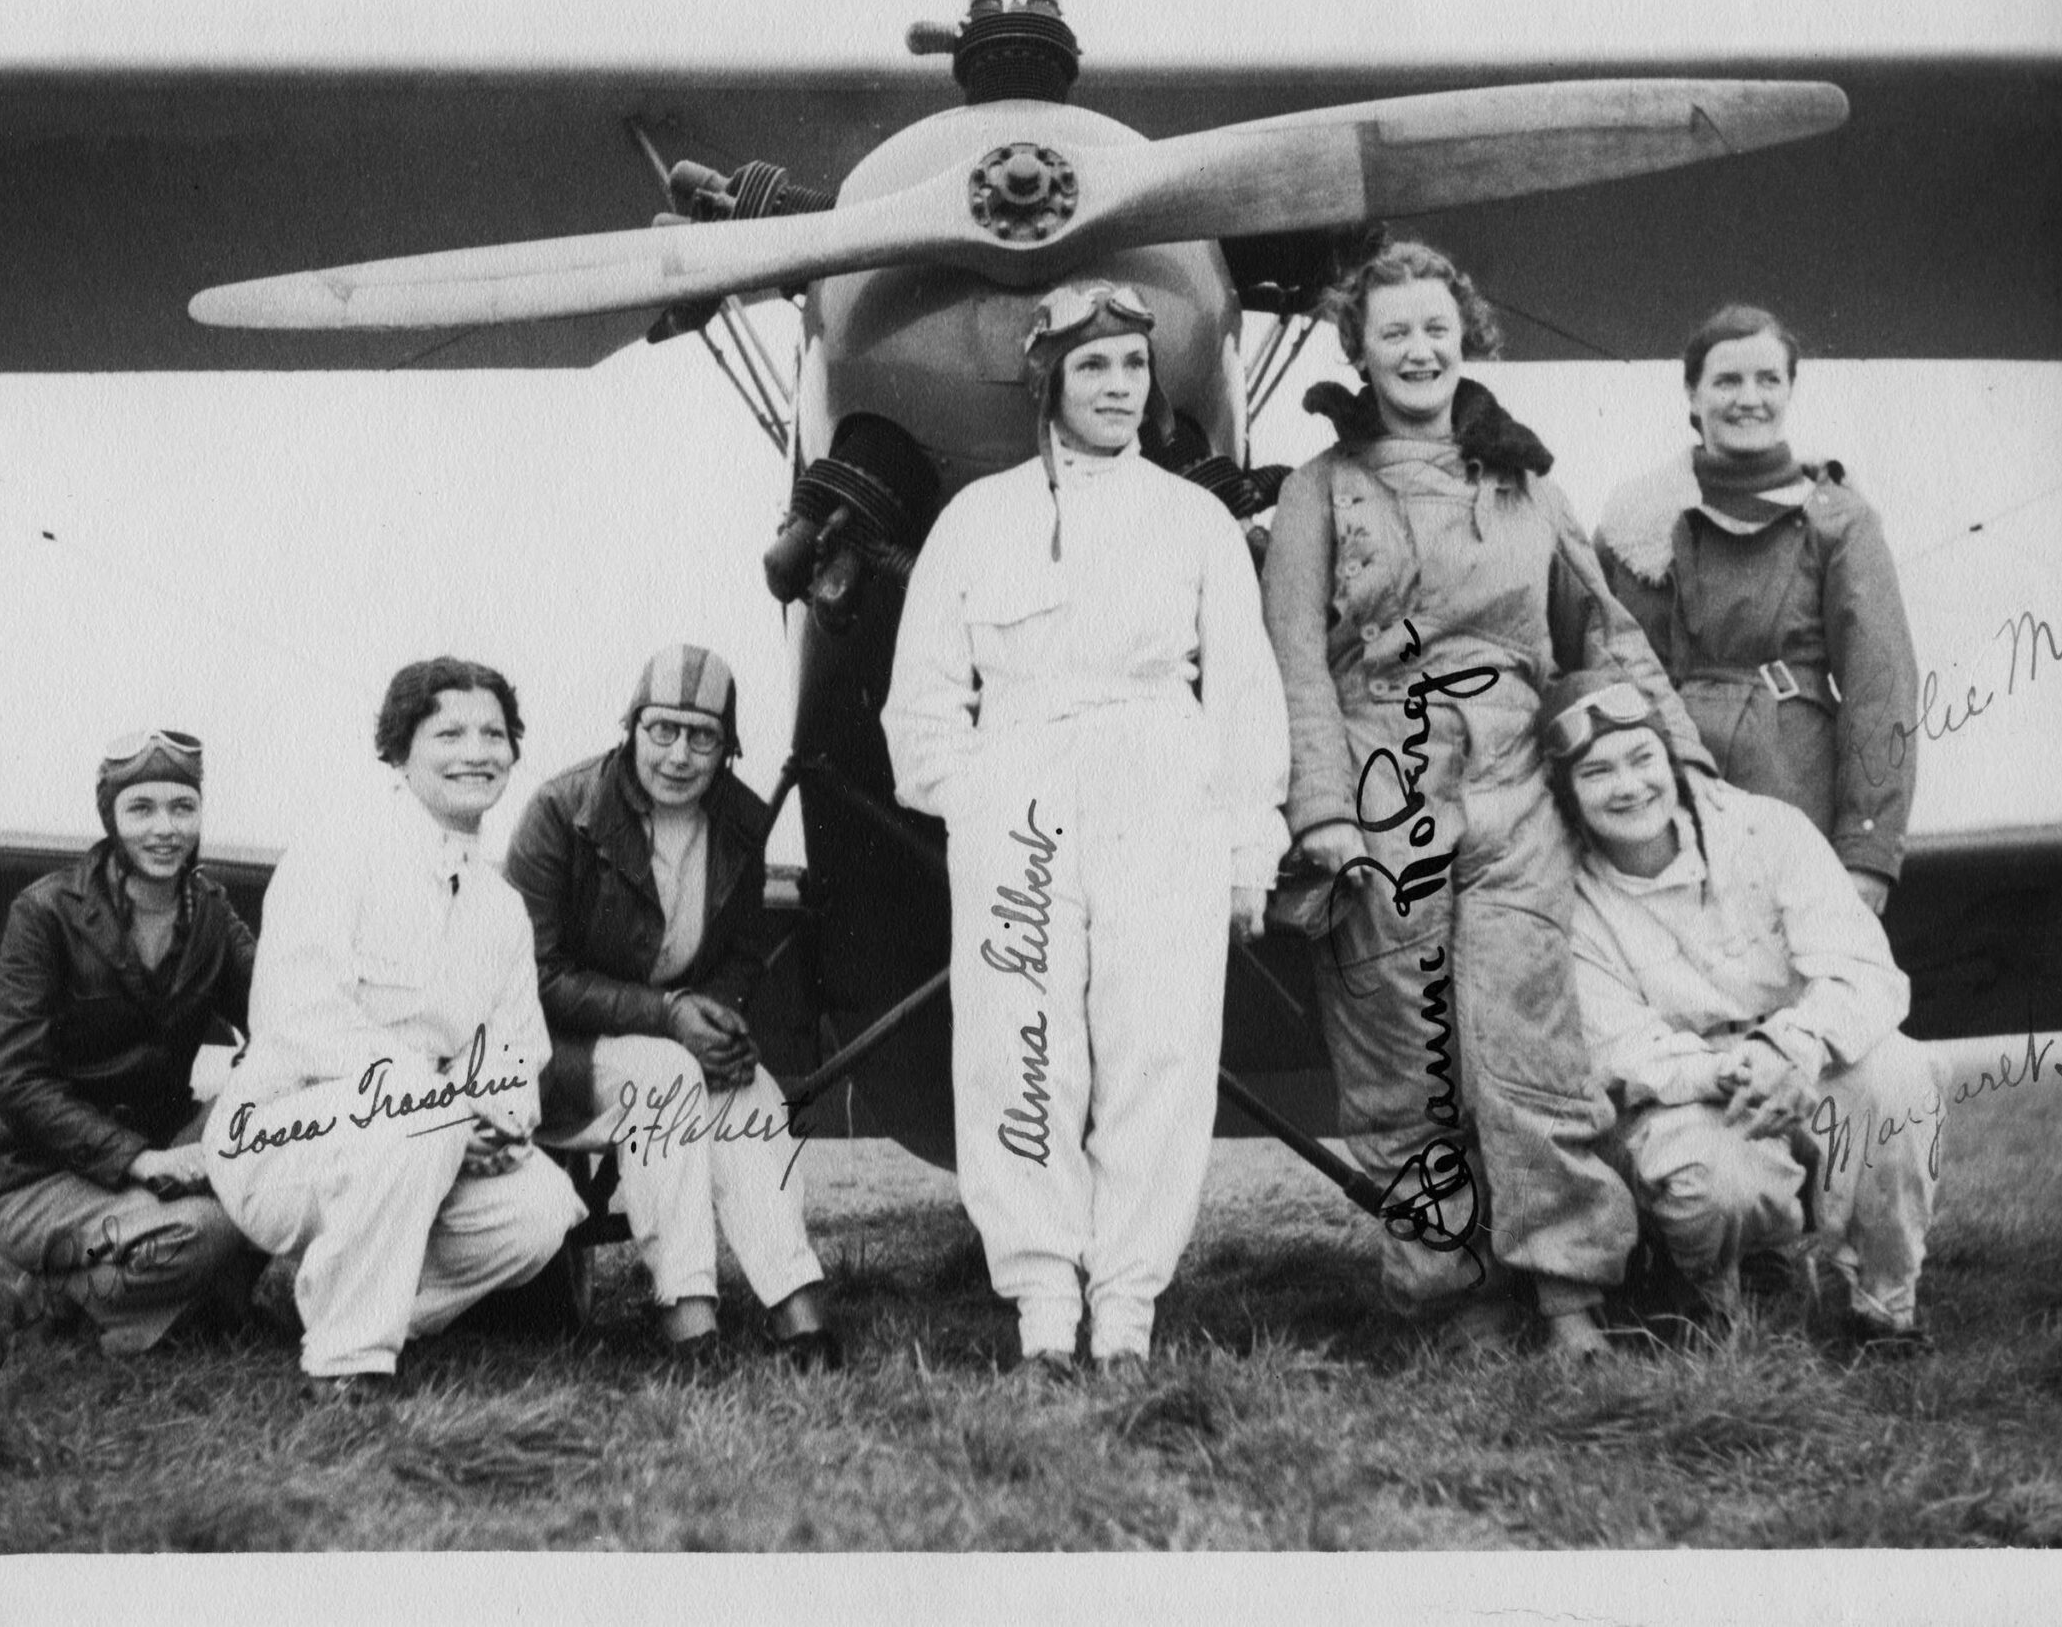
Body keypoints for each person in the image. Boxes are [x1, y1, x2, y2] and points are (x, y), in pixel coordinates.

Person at [1259, 232, 1708, 1360]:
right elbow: (1293, 660)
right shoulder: (1319, 490)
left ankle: (1567, 1292)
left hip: (1515, 790)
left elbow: (1603, 635)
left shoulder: (1525, 485)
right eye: (1393, 331)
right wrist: (1321, 813)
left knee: (1530, 1044)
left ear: (1469, 342)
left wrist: (1684, 765)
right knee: (1398, 1058)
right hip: (1375, 788)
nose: (1418, 349)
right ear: (1357, 349)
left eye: (1437, 331)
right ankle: (1443, 1296)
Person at [884, 279, 1290, 1379]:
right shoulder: (979, 517)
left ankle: (1124, 1309)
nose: (1117, 386)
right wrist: (973, 795)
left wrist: (1246, 844)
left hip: (1160, 779)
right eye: (1092, 366)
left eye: (1132, 367)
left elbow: (1245, 697)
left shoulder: (1193, 518)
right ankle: (1040, 1303)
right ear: (1049, 380)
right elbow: (921, 698)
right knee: (1020, 1041)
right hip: (1019, 784)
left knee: (1157, 1043)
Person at [207, 658, 587, 1394]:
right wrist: (440, 1103)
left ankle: (346, 1302)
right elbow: (298, 1016)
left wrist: (497, 1119)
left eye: (494, 733)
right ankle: (346, 1364)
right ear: (399, 749)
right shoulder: (338, 851)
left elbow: (515, 1051)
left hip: (429, 1141)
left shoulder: (500, 906)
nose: (476, 751)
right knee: (422, 1123)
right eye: (448, 731)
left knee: (541, 1207)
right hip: (278, 1141)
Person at [1539, 668, 1942, 1347]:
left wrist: (1789, 1048)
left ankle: (1883, 1307)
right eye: (1598, 772)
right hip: (1690, 1096)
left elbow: (1865, 972)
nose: (1631, 785)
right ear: (1570, 796)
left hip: (1802, 1061)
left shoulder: (1767, 827)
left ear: (1671, 759)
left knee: (1898, 1072)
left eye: (1643, 758)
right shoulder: (1572, 900)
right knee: (1718, 1182)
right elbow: (1621, 1048)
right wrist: (1736, 1070)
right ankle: (1711, 1292)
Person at [506, 644, 839, 1367]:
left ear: (727, 747)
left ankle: (798, 1306)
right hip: (547, 1054)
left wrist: (717, 1020)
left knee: (742, 1084)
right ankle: (687, 1313)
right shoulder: (561, 812)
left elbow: (743, 952)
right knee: (665, 1073)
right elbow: (533, 975)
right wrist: (673, 1016)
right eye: (663, 730)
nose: (680, 754)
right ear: (631, 726)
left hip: (670, 1041)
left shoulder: (744, 822)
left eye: (703, 736)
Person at [1593, 303, 1920, 914]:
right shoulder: (1636, 523)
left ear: (1790, 390)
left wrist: (1866, 854)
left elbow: (1882, 691)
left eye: (1768, 379)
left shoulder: (1837, 519)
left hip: (1793, 788)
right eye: (1727, 381)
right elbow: (1595, 667)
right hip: (1666, 795)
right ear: (1693, 396)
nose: (1749, 398)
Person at [0, 728, 264, 1354]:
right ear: (111, 816)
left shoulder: (210, 911)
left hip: (159, 1155)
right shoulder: (45, 912)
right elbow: (18, 1081)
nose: (165, 828)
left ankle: (162, 1308)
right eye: (142, 808)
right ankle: (64, 1294)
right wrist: (141, 1162)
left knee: (282, 1154)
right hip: (33, 1174)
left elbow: (284, 1018)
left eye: (182, 807)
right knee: (210, 1231)